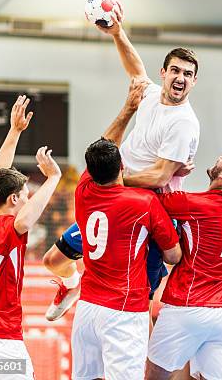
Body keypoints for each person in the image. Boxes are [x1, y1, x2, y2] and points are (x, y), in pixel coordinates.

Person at [43, 0, 200, 321]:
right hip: (115, 195)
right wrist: (117, 33)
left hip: (150, 204)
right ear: (164, 73)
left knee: (139, 300)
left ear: (194, 81)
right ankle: (71, 286)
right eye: (175, 70)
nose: (180, 78)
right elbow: (135, 71)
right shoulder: (152, 95)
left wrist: (113, 180)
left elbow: (158, 177)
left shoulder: (184, 123)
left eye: (188, 74)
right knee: (53, 260)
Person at [0, 95, 61, 379]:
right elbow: (26, 218)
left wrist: (15, 131)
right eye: (26, 196)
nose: (29, 201)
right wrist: (53, 178)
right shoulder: (5, 229)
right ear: (14, 198)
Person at [71, 135, 181, 380]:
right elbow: (173, 256)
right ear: (122, 166)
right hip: (124, 309)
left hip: (87, 307)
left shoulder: (82, 191)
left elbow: (105, 142)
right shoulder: (144, 201)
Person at [146, 149, 222, 380]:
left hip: (188, 304)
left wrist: (169, 172)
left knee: (154, 377)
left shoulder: (195, 204)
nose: (218, 157)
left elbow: (149, 199)